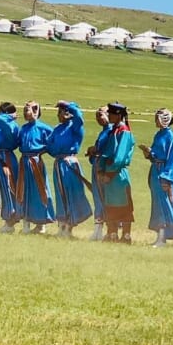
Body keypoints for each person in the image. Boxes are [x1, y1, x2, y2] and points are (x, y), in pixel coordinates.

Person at [48, 100, 94, 238]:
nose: (59, 115)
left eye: (61, 112)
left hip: (70, 164)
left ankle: (70, 225)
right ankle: (62, 224)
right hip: (58, 164)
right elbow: (50, 145)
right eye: (58, 112)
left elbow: (79, 116)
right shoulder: (57, 129)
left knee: (72, 193)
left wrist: (69, 106)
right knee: (60, 194)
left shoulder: (75, 127)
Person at [141, 108, 173, 248]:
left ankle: (163, 237)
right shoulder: (158, 135)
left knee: (164, 204)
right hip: (155, 171)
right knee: (157, 204)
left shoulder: (170, 137)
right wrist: (149, 153)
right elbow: (155, 154)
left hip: (163, 173)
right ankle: (160, 236)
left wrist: (167, 178)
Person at [93, 101, 135, 243]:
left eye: (111, 114)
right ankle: (112, 233)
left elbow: (120, 156)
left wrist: (109, 173)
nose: (109, 116)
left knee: (123, 205)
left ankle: (126, 235)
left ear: (118, 115)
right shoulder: (114, 131)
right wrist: (101, 169)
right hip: (109, 174)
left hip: (117, 175)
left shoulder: (124, 131)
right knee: (110, 204)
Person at [15, 101, 55, 234]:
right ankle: (26, 223)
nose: (25, 113)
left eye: (28, 110)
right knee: (23, 190)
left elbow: (53, 140)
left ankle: (41, 223)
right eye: (24, 110)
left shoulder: (44, 128)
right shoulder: (23, 128)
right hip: (24, 161)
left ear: (36, 111)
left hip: (36, 162)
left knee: (39, 191)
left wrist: (43, 150)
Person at [0, 101, 22, 233]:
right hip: (0, 156)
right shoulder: (5, 124)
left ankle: (10, 219)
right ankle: (8, 219)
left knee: (9, 187)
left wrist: (9, 116)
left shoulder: (10, 125)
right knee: (5, 189)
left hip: (6, 157)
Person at [85, 106, 111, 241]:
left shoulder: (111, 131)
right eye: (97, 116)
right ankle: (97, 229)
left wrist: (95, 150)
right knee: (97, 197)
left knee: (103, 197)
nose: (98, 118)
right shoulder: (103, 132)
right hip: (97, 166)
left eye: (101, 115)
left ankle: (107, 229)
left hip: (104, 169)